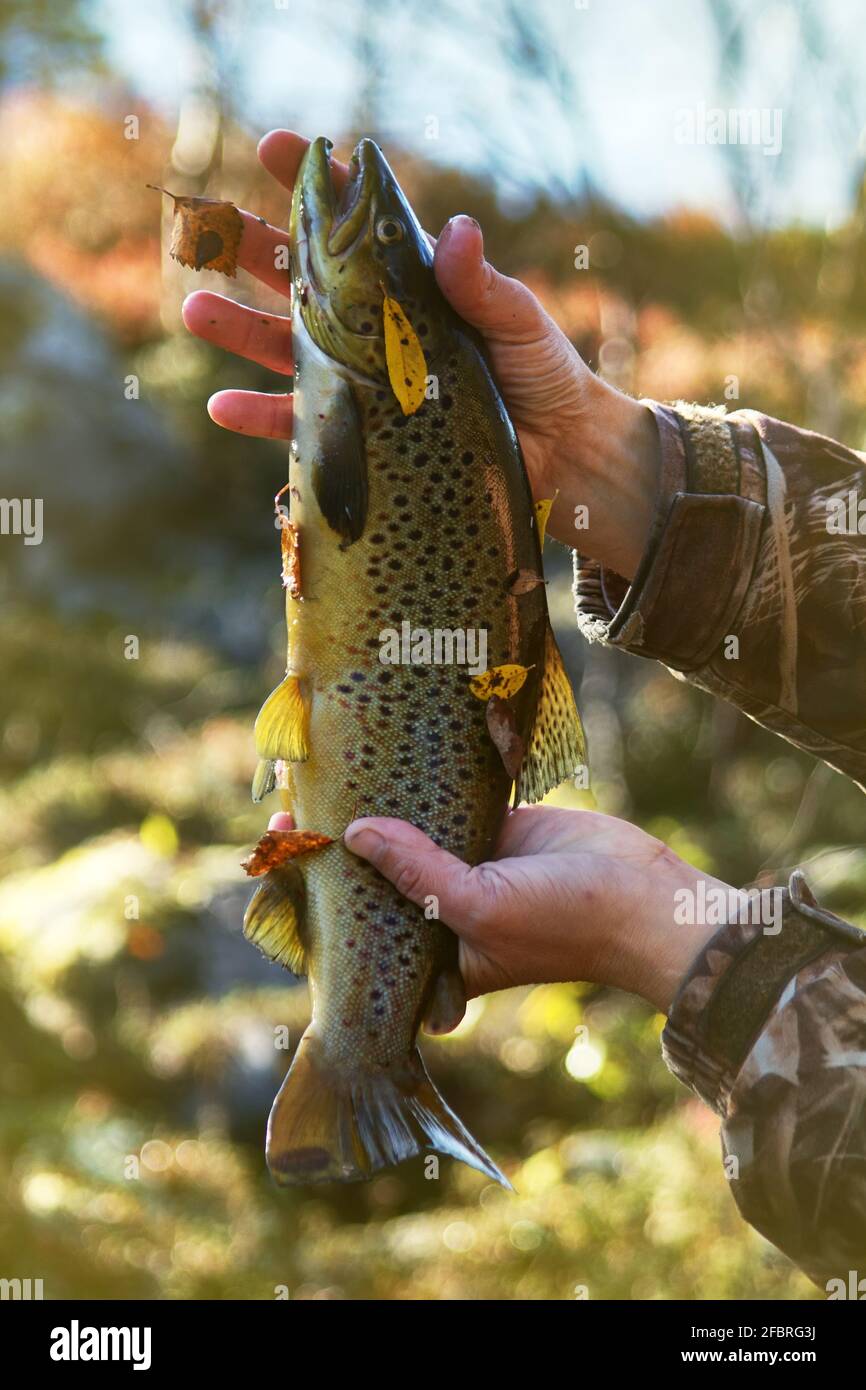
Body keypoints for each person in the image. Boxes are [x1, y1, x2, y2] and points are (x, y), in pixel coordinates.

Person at [183, 129, 866, 1290]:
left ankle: (358, 1056)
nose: (366, 222)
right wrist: (608, 460)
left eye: (382, 255)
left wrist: (664, 935)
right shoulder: (395, 385)